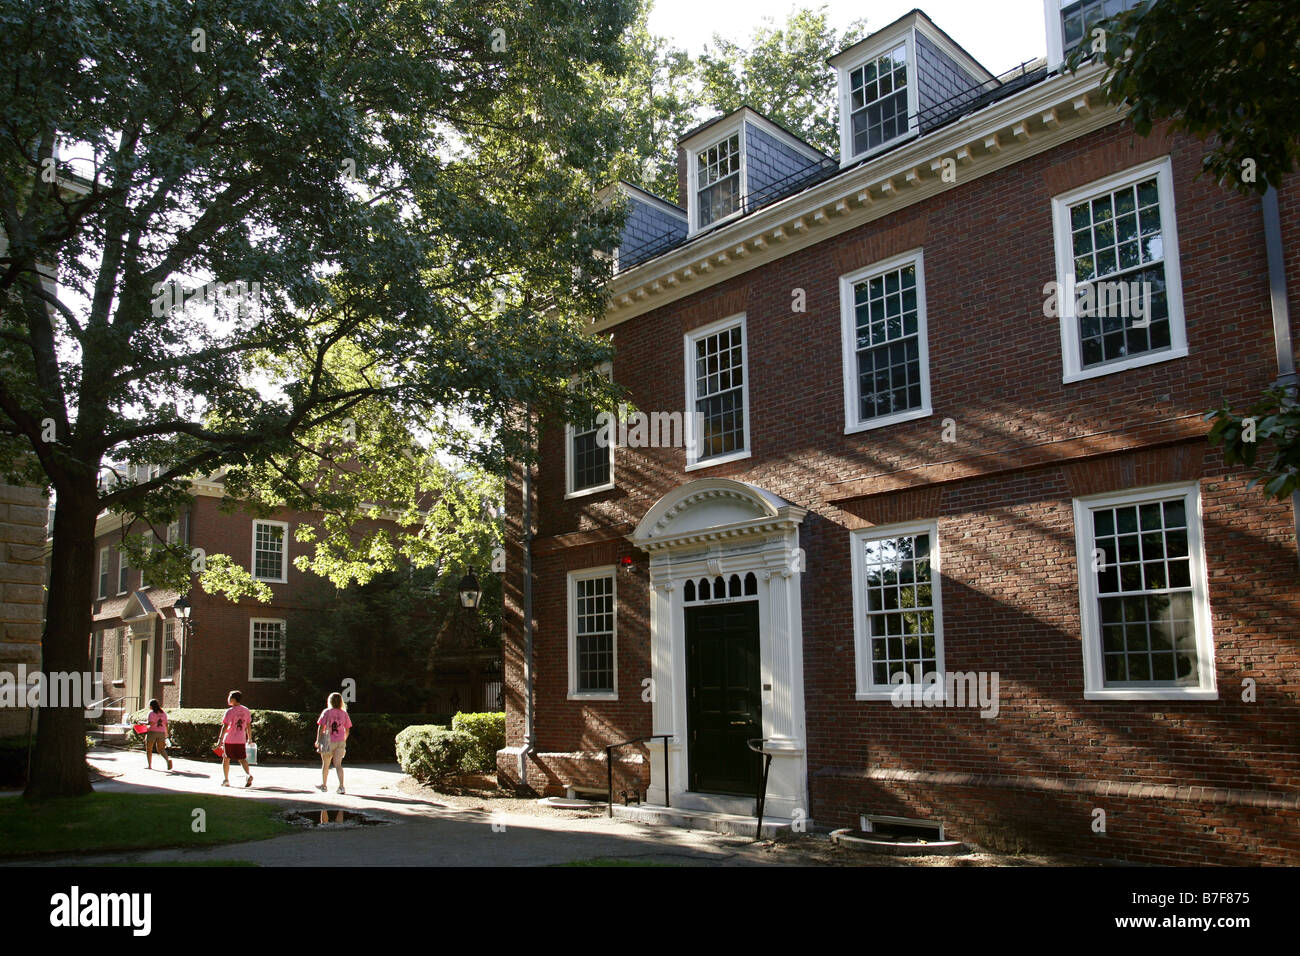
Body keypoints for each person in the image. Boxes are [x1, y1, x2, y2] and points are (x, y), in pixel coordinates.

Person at [316, 692, 352, 794]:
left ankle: (324, 785)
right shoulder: (344, 713)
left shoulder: (326, 712)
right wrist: (344, 739)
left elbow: (321, 726)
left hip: (327, 741)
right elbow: (348, 728)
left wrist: (318, 740)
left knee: (326, 765)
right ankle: (341, 787)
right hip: (340, 741)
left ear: (330, 701)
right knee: (338, 765)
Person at [218, 690, 254, 787]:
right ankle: (248, 774)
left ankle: (226, 780)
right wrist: (249, 738)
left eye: (229, 697)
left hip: (229, 739)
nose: (228, 699)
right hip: (241, 739)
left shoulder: (230, 711)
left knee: (226, 758)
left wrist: (220, 739)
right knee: (242, 759)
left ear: (233, 699)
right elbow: (248, 726)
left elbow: (225, 726)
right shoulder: (246, 710)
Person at [144, 699, 173, 771]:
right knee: (161, 749)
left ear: (151, 706)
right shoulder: (163, 713)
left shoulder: (151, 713)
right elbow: (166, 724)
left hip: (152, 732)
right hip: (162, 732)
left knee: (149, 749)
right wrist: (166, 733)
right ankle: (167, 759)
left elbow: (151, 723)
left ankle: (149, 765)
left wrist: (144, 724)